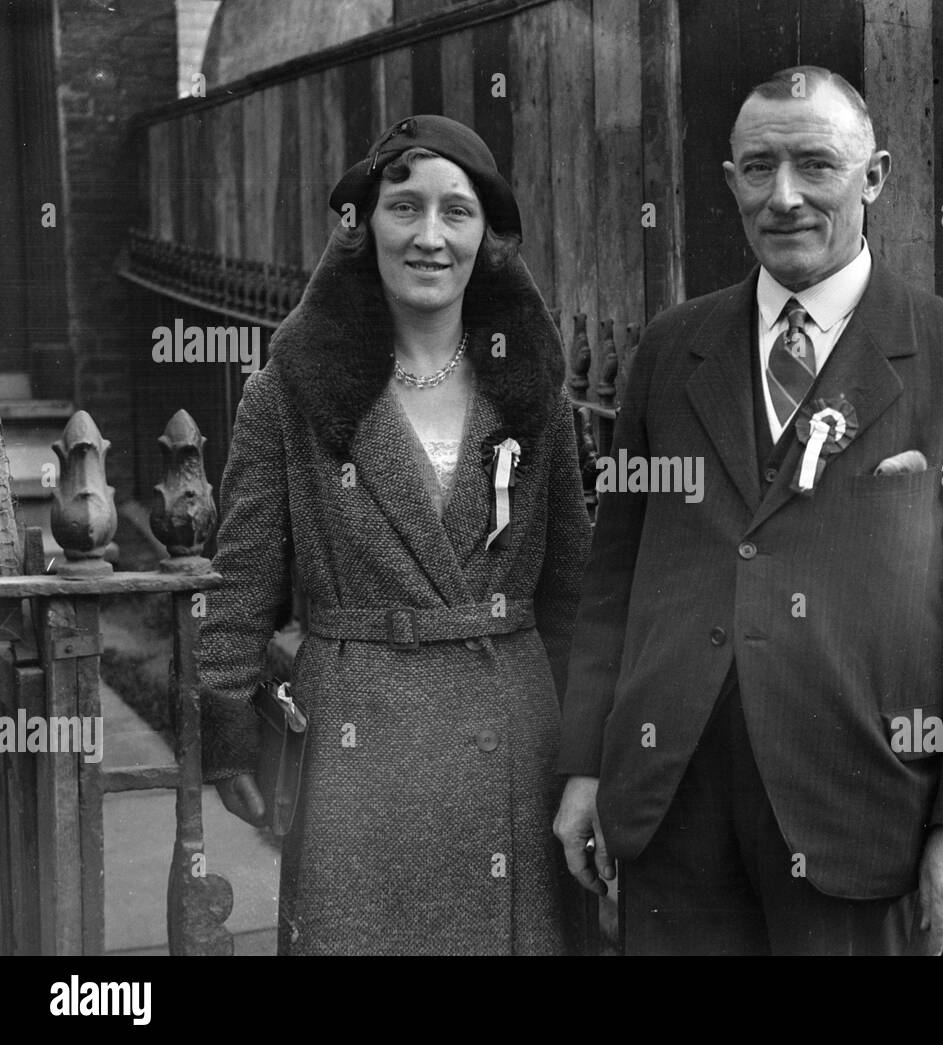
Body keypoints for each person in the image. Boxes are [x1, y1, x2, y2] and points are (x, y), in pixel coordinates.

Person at [553, 67, 943, 956]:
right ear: (730, 181)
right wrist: (589, 763)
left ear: (876, 176)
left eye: (816, 165)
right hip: (674, 803)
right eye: (758, 168)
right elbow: (614, 580)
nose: (783, 197)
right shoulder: (672, 349)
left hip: (859, 809)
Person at [198, 115, 591, 955]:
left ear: (486, 237)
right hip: (355, 750)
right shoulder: (289, 393)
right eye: (403, 207)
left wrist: (590, 757)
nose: (429, 236)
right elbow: (241, 579)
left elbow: (574, 596)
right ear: (363, 225)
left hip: (512, 747)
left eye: (457, 212)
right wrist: (226, 720)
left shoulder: (534, 395)